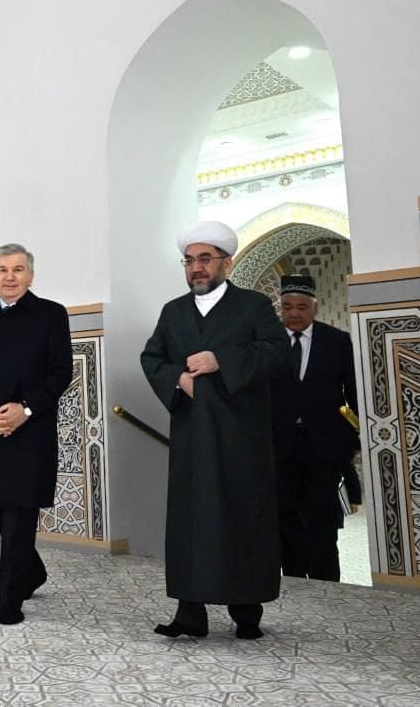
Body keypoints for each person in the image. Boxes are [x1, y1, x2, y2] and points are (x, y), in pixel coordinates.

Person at [140, 220, 288, 640]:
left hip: (241, 437)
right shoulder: (173, 311)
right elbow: (152, 357)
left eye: (205, 259)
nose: (196, 268)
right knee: (191, 521)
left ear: (227, 261)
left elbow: (278, 354)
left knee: (241, 516)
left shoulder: (254, 306)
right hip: (191, 436)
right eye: (189, 261)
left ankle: (246, 610)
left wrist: (220, 359)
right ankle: (190, 611)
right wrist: (176, 378)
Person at [0, 243, 73, 625]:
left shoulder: (52, 315)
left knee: (21, 511)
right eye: (3, 269)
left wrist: (26, 409)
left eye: (18, 269)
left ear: (30, 275)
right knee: (1, 510)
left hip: (31, 431)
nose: (10, 276)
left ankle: (10, 601)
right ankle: (33, 571)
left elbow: (60, 373)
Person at [270, 274, 361, 582]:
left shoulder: (336, 341)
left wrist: (351, 441)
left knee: (323, 519)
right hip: (278, 448)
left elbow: (354, 393)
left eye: (302, 307)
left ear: (315, 308)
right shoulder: (267, 342)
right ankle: (293, 580)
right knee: (285, 518)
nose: (294, 313)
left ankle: (327, 584)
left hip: (324, 448)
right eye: (287, 307)